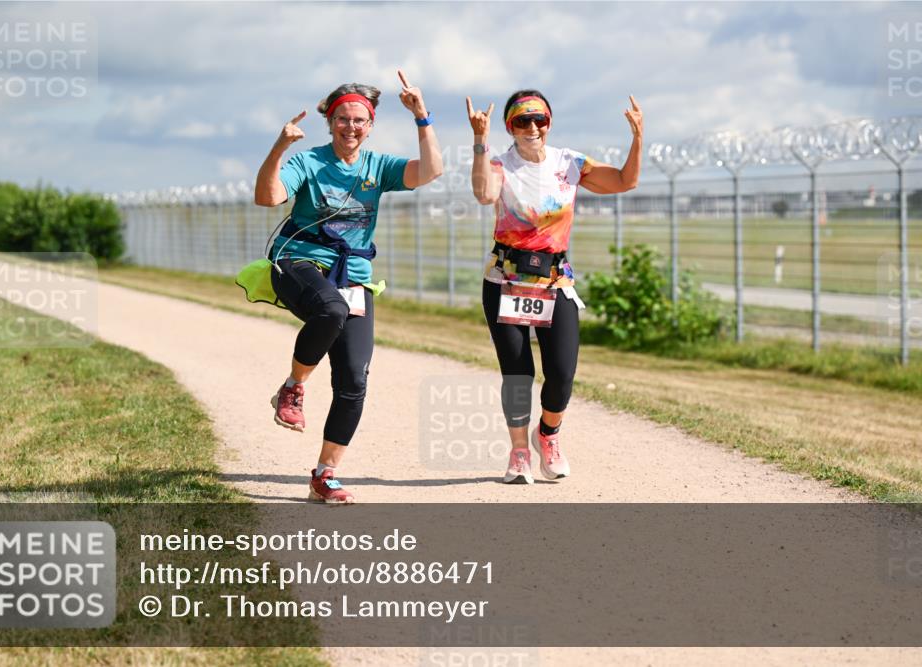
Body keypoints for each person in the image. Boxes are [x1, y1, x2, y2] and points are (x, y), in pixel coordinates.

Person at [254, 72, 442, 503]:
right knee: (331, 310)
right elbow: (268, 198)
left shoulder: (379, 166)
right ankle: (294, 385)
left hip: (352, 272)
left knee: (354, 379)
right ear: (331, 122)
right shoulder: (310, 161)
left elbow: (430, 171)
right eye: (343, 119)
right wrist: (281, 148)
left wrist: (422, 117)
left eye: (359, 120)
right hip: (297, 259)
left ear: (371, 125)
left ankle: (325, 473)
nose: (351, 127)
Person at [466, 89, 643, 484]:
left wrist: (637, 137)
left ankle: (547, 434)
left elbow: (625, 181)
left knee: (562, 372)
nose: (532, 128)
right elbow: (483, 194)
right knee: (517, 373)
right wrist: (479, 142)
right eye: (522, 121)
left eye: (539, 120)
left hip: (554, 281)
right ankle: (518, 454)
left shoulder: (570, 163)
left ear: (549, 123)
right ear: (510, 127)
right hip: (506, 281)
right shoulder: (499, 164)